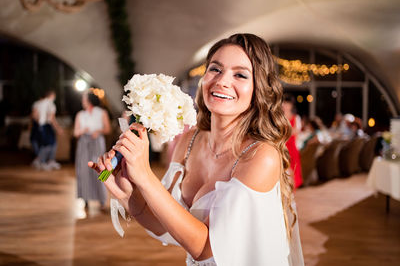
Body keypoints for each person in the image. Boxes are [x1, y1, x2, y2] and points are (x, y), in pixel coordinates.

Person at [89, 33, 304, 265]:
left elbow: (205, 248)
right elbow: (165, 227)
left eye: (240, 74)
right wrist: (126, 191)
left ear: (259, 88)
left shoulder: (261, 156)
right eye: (215, 69)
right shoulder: (190, 140)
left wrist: (145, 176)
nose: (222, 81)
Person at [74, 90, 110, 215]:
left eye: (84, 99)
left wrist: (98, 131)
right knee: (83, 170)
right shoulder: (80, 115)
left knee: (101, 169)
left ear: (89, 101)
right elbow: (75, 132)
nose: (82, 102)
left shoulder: (101, 113)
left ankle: (103, 199)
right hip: (84, 143)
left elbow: (107, 129)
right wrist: (82, 130)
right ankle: (85, 199)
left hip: (97, 142)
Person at [31, 90, 63, 170]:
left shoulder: (39, 103)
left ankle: (47, 160)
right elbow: (52, 118)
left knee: (48, 143)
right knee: (49, 144)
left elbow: (34, 115)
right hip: (47, 125)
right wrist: (58, 128)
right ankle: (41, 161)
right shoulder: (51, 104)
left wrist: (39, 123)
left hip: (41, 125)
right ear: (52, 95)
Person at [282, 94, 303, 189]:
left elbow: (296, 134)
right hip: (282, 148)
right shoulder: (279, 118)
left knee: (293, 175)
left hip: (292, 150)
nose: (284, 104)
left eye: (287, 103)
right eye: (283, 102)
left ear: (291, 105)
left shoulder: (296, 118)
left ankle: (292, 200)